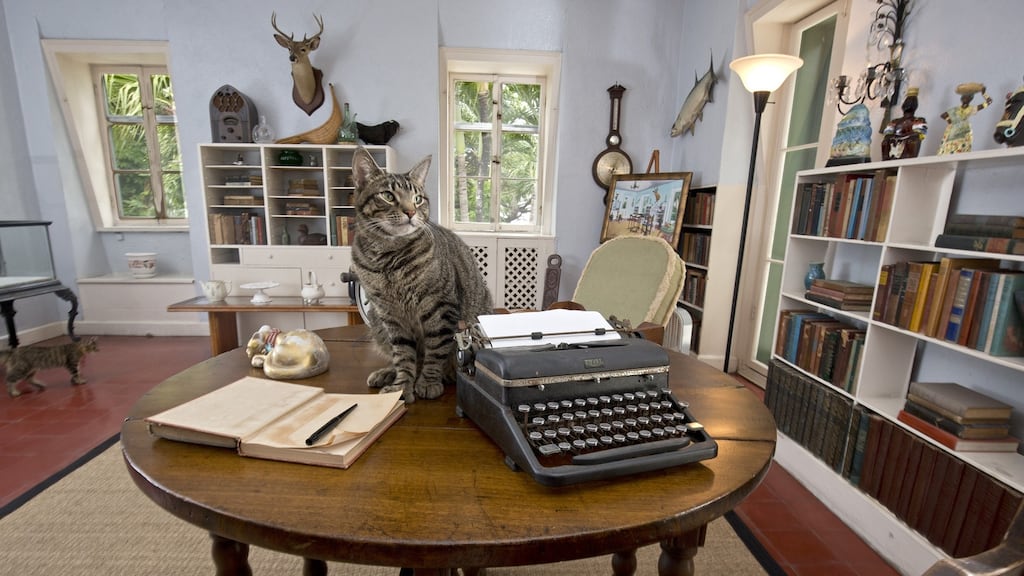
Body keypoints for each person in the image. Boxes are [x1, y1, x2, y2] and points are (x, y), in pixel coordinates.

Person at [938, 83, 993, 155]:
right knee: (948, 149)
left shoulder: (971, 109)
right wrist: (948, 120)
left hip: (964, 131)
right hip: (952, 131)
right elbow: (943, 115)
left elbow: (989, 102)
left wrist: (984, 94)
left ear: (970, 99)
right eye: (963, 97)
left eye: (967, 97)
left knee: (961, 149)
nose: (964, 99)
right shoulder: (955, 109)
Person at [882, 87, 927, 159]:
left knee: (912, 141)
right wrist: (894, 138)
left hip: (907, 141)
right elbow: (887, 133)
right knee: (885, 141)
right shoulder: (895, 121)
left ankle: (906, 157)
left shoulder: (918, 120)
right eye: (907, 102)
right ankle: (887, 158)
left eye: (912, 102)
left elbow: (919, 134)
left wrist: (904, 138)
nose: (908, 105)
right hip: (894, 140)